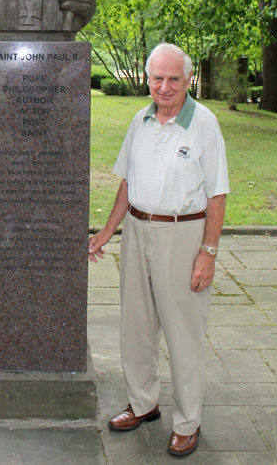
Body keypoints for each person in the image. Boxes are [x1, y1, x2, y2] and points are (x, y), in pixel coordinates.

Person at [89, 43, 229, 457]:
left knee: (183, 333)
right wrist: (107, 231)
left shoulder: (204, 124)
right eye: (157, 78)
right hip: (136, 230)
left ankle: (188, 422)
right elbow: (127, 182)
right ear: (147, 79)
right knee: (136, 325)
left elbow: (217, 194)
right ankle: (143, 403)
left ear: (189, 80)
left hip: (182, 235)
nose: (164, 87)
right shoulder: (141, 119)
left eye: (173, 78)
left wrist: (209, 252)